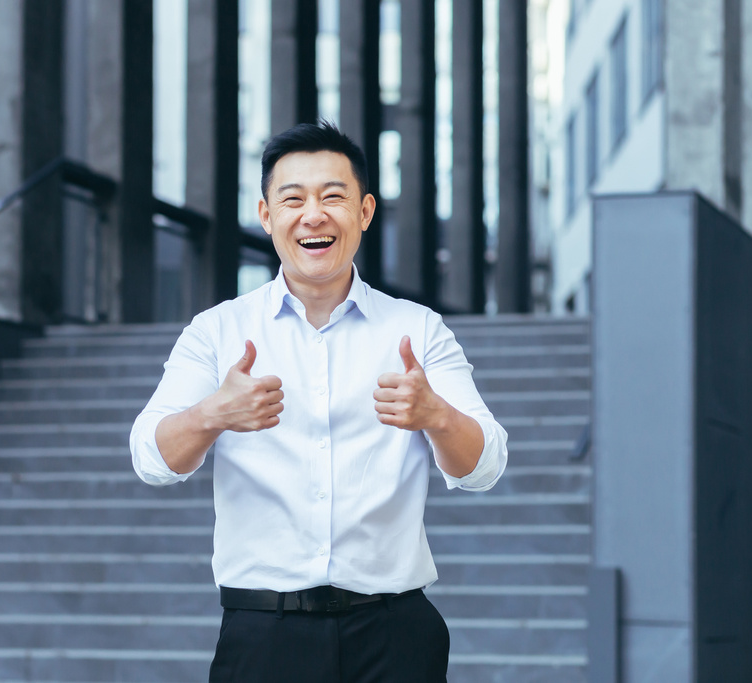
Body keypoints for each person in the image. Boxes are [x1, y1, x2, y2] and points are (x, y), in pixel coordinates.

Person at [130, 121, 508, 683]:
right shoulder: (217, 332)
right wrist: (213, 413)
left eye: (334, 196)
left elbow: (485, 466)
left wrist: (437, 416)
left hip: (394, 634)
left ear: (365, 212)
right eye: (293, 199)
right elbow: (151, 460)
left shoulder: (417, 329)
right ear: (266, 215)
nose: (314, 214)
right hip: (264, 635)